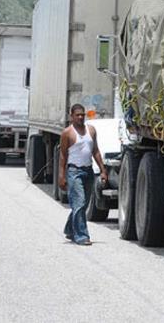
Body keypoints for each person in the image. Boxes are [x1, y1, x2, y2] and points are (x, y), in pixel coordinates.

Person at [59, 103, 108, 245]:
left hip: (88, 171)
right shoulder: (67, 133)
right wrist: (61, 176)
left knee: (82, 204)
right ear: (71, 116)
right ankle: (81, 235)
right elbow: (62, 156)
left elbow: (96, 151)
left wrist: (103, 170)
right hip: (74, 171)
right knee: (79, 203)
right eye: (77, 115)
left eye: (82, 114)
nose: (80, 117)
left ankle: (70, 229)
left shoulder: (91, 130)